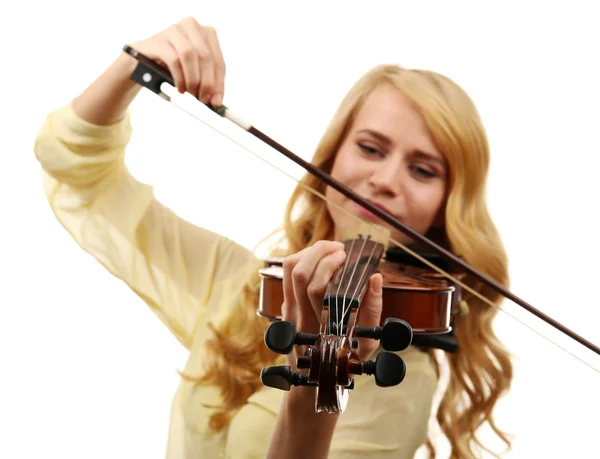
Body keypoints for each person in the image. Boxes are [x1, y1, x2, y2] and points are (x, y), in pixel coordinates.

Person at [33, 16, 513, 459]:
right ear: (329, 164)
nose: (386, 179)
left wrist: (315, 381)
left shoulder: (402, 377)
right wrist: (131, 62)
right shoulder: (246, 285)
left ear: (444, 208)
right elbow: (80, 175)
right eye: (369, 147)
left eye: (422, 170)